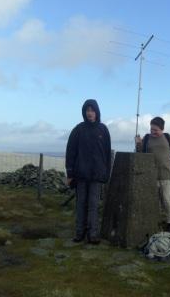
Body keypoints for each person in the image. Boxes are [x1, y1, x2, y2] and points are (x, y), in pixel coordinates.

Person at [65, 99, 111, 244]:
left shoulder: (103, 130)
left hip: (97, 175)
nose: (89, 113)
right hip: (81, 175)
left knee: (93, 205)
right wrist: (70, 173)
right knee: (81, 204)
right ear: (84, 112)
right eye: (87, 110)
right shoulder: (78, 129)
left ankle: (93, 234)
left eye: (92, 110)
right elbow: (70, 152)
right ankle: (79, 233)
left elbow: (107, 154)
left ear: (97, 112)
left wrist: (106, 173)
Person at [135, 116, 170, 233]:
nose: (153, 132)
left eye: (156, 130)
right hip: (150, 175)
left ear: (162, 129)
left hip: (165, 173)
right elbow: (140, 153)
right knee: (154, 200)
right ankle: (155, 221)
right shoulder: (146, 138)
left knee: (167, 199)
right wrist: (138, 144)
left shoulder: (167, 137)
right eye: (151, 129)